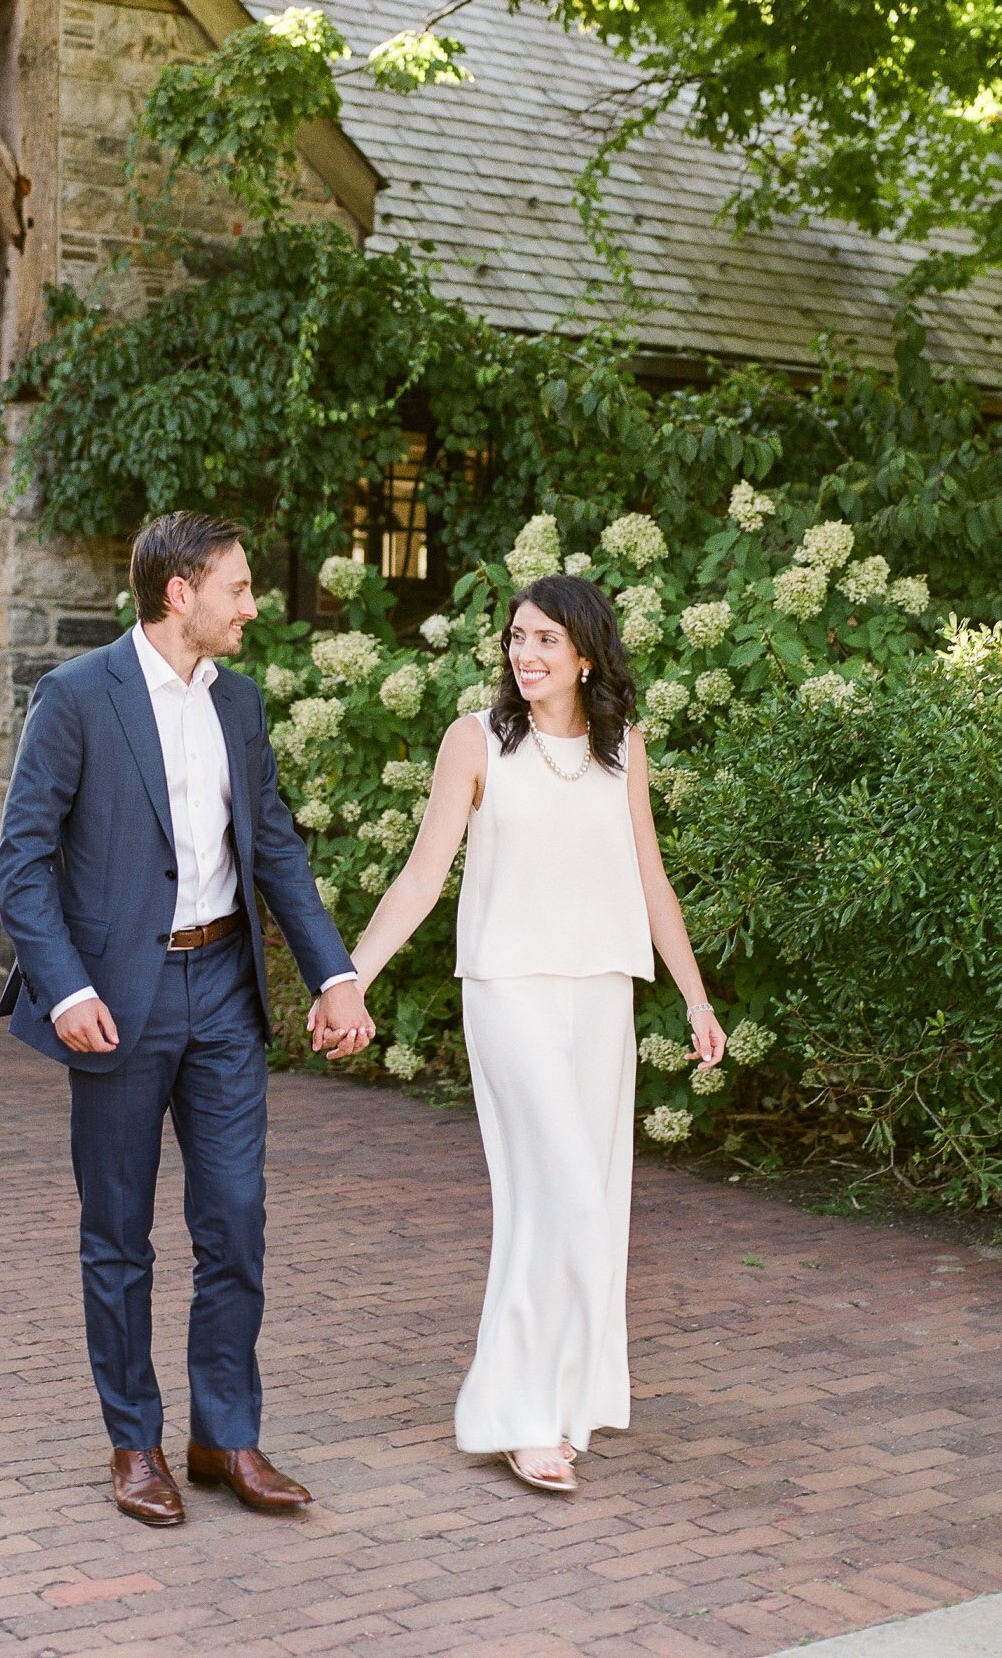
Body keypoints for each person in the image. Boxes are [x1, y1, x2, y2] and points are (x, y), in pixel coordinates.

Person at [0, 511, 374, 1527]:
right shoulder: (76, 698)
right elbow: (22, 862)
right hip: (118, 1001)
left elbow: (277, 852)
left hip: (224, 994)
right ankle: (135, 1444)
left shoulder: (239, 705)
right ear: (180, 595)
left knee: (236, 1222)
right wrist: (67, 990)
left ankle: (225, 1438)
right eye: (239, 588)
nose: (253, 605)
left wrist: (334, 974)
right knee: (118, 1235)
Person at [324, 573, 725, 1491]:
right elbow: (423, 876)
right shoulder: (475, 740)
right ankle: (514, 1411)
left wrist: (696, 998)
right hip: (508, 989)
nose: (526, 654)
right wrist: (348, 978)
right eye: (516, 638)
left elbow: (652, 881)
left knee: (593, 1203)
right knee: (561, 1193)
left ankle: (562, 1397)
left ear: (586, 654)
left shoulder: (624, 746)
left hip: (601, 996)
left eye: (546, 639)